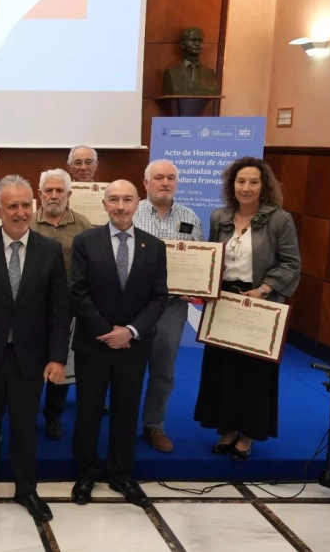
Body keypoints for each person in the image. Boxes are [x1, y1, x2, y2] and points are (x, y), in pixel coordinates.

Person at [0, 175, 70, 521]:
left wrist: (57, 358)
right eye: (12, 207)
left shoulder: (49, 249)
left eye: (25, 205)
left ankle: (26, 489)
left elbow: (59, 310)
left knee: (24, 427)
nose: (20, 213)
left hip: (31, 357)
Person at [69, 180, 168, 509]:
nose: (121, 206)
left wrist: (130, 331)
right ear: (104, 204)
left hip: (134, 346)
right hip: (94, 343)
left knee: (126, 410)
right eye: (114, 199)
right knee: (88, 411)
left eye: (127, 199)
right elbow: (78, 292)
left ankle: (121, 473)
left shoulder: (154, 246)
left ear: (138, 203)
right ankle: (86, 472)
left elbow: (159, 298)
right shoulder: (85, 241)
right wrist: (106, 331)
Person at [194, 157, 300, 460]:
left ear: (264, 186)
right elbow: (212, 257)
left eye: (254, 182)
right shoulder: (219, 216)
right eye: (241, 181)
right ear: (232, 185)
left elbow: (291, 264)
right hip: (224, 302)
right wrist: (204, 285)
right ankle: (227, 429)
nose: (246, 187)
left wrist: (264, 290)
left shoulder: (280, 219)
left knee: (254, 373)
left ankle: (248, 434)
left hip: (260, 301)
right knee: (223, 370)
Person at [132, 160, 204, 453]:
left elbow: (201, 261)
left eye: (170, 178)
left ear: (177, 182)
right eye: (158, 177)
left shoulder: (191, 218)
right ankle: (123, 423)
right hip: (133, 305)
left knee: (163, 369)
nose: (165, 183)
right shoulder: (131, 212)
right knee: (127, 368)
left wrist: (196, 286)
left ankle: (153, 425)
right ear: (146, 183)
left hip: (171, 306)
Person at [33, 169, 92, 441]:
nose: (54, 196)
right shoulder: (27, 221)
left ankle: (54, 414)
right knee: (32, 362)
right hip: (32, 308)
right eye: (49, 190)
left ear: (69, 194)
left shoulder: (82, 225)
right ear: (40, 194)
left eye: (59, 191)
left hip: (68, 308)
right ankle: (28, 410)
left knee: (62, 362)